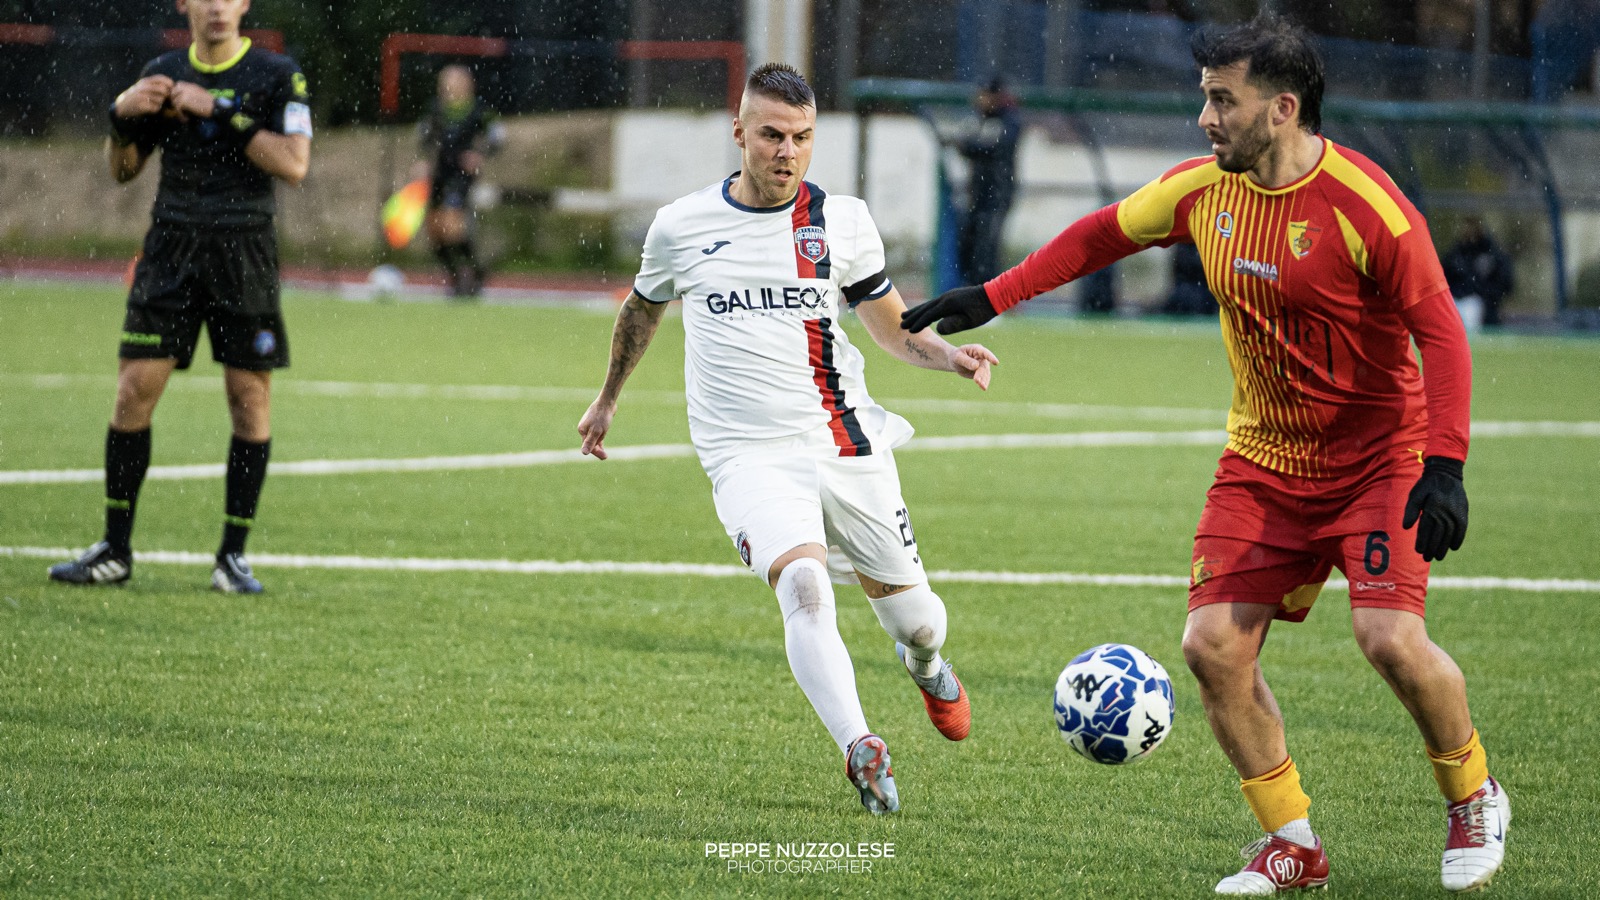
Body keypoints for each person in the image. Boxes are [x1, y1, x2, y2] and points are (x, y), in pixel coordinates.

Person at [903, 15, 1506, 894]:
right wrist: (995, 295)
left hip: (1380, 462)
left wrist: (1445, 464)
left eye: (1223, 100)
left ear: (1283, 109)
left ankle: (1474, 796)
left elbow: (1441, 332)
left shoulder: (1367, 207)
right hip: (1262, 462)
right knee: (1213, 646)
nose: (1205, 119)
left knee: (1390, 640)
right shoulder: (1201, 192)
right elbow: (1102, 233)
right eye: (1204, 98)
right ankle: (1291, 843)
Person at [578, 63, 998, 815]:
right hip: (746, 455)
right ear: (739, 132)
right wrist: (608, 399)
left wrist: (950, 357)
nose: (787, 151)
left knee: (919, 620)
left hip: (843, 439)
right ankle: (859, 746)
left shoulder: (843, 223)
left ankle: (926, 664)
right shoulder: (681, 226)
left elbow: (892, 329)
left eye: (802, 138)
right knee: (802, 588)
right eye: (772, 135)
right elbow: (642, 309)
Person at [48, 0, 312, 594]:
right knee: (132, 393)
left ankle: (232, 557)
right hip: (170, 250)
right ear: (183, 3)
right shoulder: (162, 72)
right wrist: (119, 117)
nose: (217, 7)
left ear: (244, 4)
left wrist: (220, 110)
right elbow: (123, 170)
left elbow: (294, 164)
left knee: (249, 400)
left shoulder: (277, 74)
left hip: (244, 251)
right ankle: (115, 549)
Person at [415, 64, 505, 298]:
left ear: (468, 84)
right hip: (439, 174)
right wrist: (424, 161)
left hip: (461, 176)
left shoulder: (479, 110)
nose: (449, 87)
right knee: (435, 230)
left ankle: (473, 272)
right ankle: (457, 275)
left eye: (454, 81)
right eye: (445, 82)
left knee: (452, 224)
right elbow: (425, 138)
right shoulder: (435, 109)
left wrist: (479, 154)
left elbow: (497, 138)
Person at [946, 76, 1022, 287]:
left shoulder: (1009, 120)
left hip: (997, 195)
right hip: (977, 194)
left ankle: (987, 292)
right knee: (968, 244)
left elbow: (994, 148)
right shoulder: (980, 119)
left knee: (986, 248)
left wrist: (967, 146)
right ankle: (971, 288)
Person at [1442, 216, 1513, 328]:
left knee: (1470, 313)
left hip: (1481, 306)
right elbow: (1445, 277)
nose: (1469, 231)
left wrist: (1484, 296)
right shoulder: (1456, 254)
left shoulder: (1492, 255)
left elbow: (1505, 282)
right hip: (1456, 301)